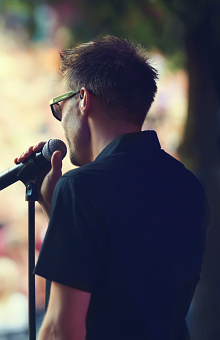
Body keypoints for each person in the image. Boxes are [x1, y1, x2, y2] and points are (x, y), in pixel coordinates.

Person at [14, 36, 209, 340]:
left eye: (59, 108)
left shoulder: (80, 188)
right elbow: (125, 282)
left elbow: (61, 330)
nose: (60, 121)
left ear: (82, 100)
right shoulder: (188, 185)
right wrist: (58, 210)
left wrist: (68, 198)